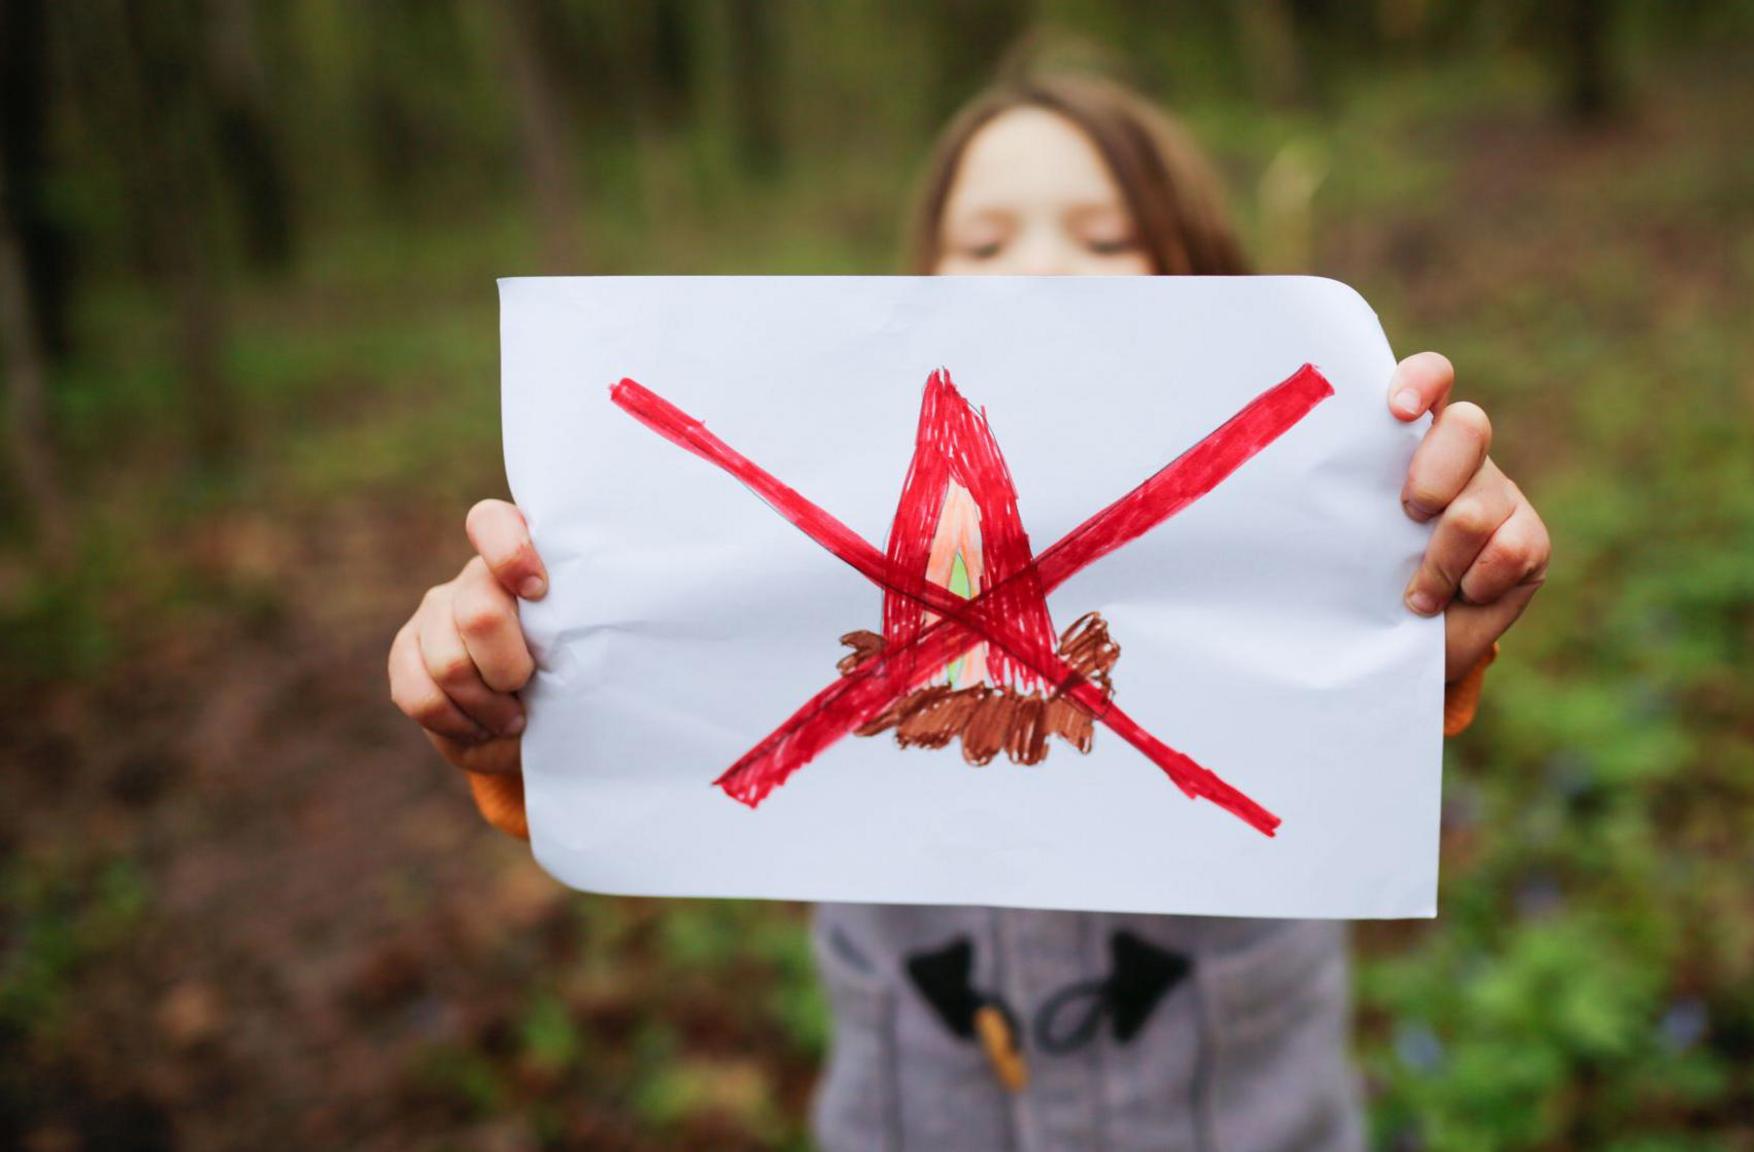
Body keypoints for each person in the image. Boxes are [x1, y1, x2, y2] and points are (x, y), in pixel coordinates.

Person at [389, 73, 1548, 1151]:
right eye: (983, 240)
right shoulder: (804, 551)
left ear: (1215, 285)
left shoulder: (1286, 534)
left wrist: (1429, 588)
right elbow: (655, 717)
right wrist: (517, 707)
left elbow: (1367, 680)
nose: (1037, 265)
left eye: (1104, 236)